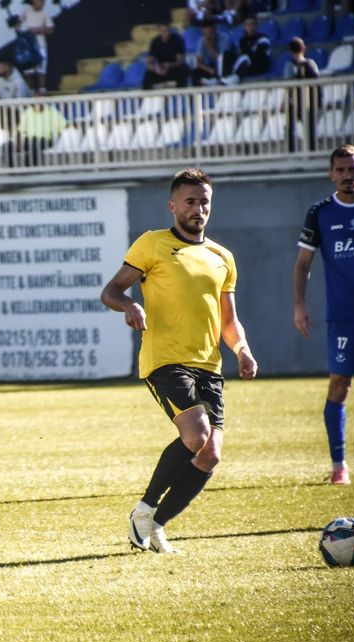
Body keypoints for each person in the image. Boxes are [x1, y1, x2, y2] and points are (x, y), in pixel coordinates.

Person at [100, 168, 258, 554]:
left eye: (204, 202)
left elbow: (228, 320)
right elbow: (111, 290)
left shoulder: (222, 257)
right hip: (165, 359)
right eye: (190, 202)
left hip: (209, 365)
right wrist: (129, 305)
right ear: (172, 206)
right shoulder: (152, 244)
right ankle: (144, 509)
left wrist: (242, 350)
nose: (198, 209)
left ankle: (155, 525)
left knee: (210, 454)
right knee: (196, 434)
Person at [293, 145, 354, 485]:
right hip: (345, 316)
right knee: (340, 385)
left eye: (352, 169)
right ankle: (339, 466)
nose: (347, 175)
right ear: (331, 174)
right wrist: (299, 305)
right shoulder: (320, 213)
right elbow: (303, 264)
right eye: (340, 170)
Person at [15, 101, 66, 167]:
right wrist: (18, 144)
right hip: (30, 140)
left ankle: (27, 166)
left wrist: (57, 136)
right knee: (9, 146)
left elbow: (63, 124)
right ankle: (24, 167)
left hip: (45, 140)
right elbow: (20, 130)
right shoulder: (27, 112)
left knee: (36, 145)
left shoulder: (52, 110)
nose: (38, 105)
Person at [143, 23, 192, 90]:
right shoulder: (155, 42)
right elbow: (149, 63)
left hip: (175, 67)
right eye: (163, 30)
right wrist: (156, 69)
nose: (166, 33)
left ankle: (181, 94)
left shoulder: (178, 39)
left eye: (167, 30)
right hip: (161, 68)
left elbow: (180, 61)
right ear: (159, 31)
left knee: (183, 71)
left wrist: (168, 65)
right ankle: (146, 96)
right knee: (148, 76)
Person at [20, 0, 55, 94]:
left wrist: (39, 30)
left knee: (42, 67)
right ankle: (32, 90)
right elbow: (19, 24)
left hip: (40, 44)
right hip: (28, 45)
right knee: (28, 68)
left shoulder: (45, 13)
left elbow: (51, 30)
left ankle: (42, 89)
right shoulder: (26, 10)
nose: (42, 2)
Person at [230, 14, 271, 81]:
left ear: (256, 25)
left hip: (260, 65)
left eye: (253, 24)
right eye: (248, 25)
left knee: (244, 58)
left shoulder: (263, 39)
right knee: (228, 55)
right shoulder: (243, 40)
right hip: (248, 65)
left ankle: (233, 76)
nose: (250, 27)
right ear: (244, 26)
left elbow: (259, 56)